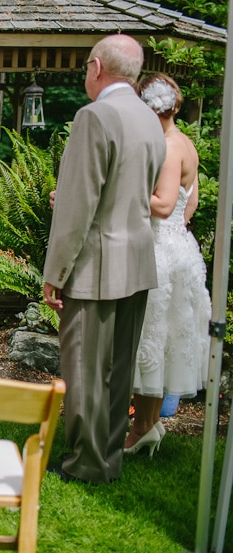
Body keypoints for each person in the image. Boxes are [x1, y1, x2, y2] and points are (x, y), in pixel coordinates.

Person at [42, 35, 167, 484]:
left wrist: (55, 273)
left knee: (85, 369)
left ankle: (88, 464)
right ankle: (109, 454)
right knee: (118, 369)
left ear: (96, 68)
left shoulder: (94, 116)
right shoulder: (150, 119)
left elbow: (79, 208)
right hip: (136, 260)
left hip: (96, 265)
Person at [124, 74, 211, 455]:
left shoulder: (165, 146)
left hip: (161, 252)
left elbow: (161, 203)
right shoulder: (186, 143)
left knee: (150, 339)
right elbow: (187, 206)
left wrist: (121, 195)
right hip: (181, 247)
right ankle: (150, 424)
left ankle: (142, 426)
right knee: (161, 342)